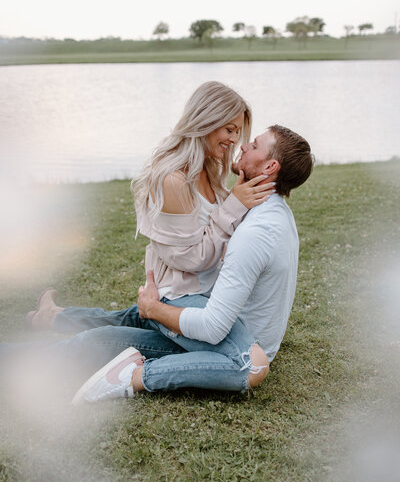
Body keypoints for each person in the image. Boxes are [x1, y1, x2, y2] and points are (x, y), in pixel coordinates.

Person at [2, 124, 313, 403]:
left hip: (232, 347)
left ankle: (116, 371)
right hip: (229, 330)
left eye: (254, 144)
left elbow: (214, 327)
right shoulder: (276, 213)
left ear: (270, 166)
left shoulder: (256, 232)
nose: (243, 144)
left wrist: (156, 308)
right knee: (131, 320)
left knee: (107, 336)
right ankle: (53, 317)